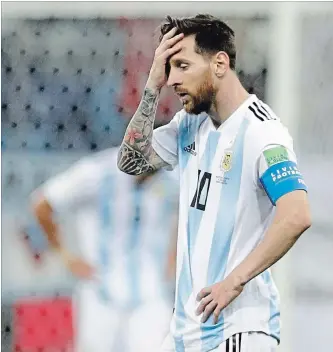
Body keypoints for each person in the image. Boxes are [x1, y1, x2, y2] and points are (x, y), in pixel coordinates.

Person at [117, 14, 311, 352]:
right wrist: (151, 85)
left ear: (219, 63)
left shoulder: (262, 131)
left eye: (182, 65)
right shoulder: (189, 126)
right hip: (186, 332)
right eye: (168, 68)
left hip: (237, 329)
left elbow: (296, 215)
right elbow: (130, 162)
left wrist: (233, 283)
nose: (173, 79)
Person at [31, 147, 179, 352]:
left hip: (151, 294)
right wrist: (65, 256)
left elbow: (198, 212)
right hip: (101, 293)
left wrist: (176, 253)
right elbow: (43, 203)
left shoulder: (173, 177)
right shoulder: (96, 172)